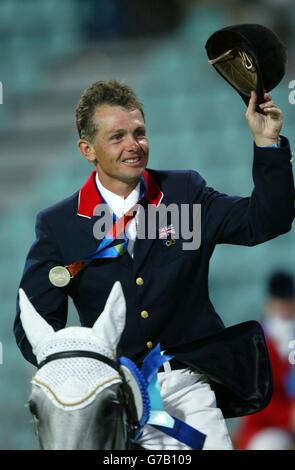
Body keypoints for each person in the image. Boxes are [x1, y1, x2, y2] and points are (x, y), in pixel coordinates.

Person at [14, 79, 294, 450]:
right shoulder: (59, 224)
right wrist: (79, 374)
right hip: (109, 400)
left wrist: (267, 144)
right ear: (87, 149)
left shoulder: (184, 193)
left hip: (189, 391)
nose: (134, 145)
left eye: (139, 133)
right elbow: (33, 325)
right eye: (117, 137)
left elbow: (266, 220)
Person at [235, 271, 295, 450]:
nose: (284, 309)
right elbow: (255, 397)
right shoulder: (257, 344)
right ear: (268, 305)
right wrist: (288, 415)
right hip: (266, 426)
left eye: (288, 302)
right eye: (279, 303)